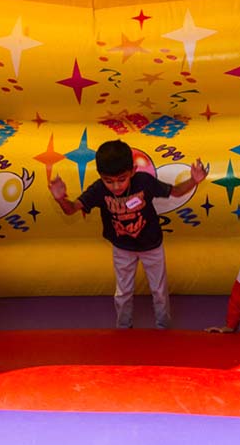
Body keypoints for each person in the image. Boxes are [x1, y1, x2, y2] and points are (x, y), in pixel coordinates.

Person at [50, 139, 207, 329]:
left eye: (121, 179)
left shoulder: (144, 182)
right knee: (123, 292)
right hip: (122, 247)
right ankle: (123, 328)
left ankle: (163, 327)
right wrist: (60, 199)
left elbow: (176, 192)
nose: (116, 187)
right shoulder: (99, 189)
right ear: (100, 175)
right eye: (109, 181)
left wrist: (194, 180)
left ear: (133, 171)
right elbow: (72, 208)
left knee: (159, 290)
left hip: (151, 245)